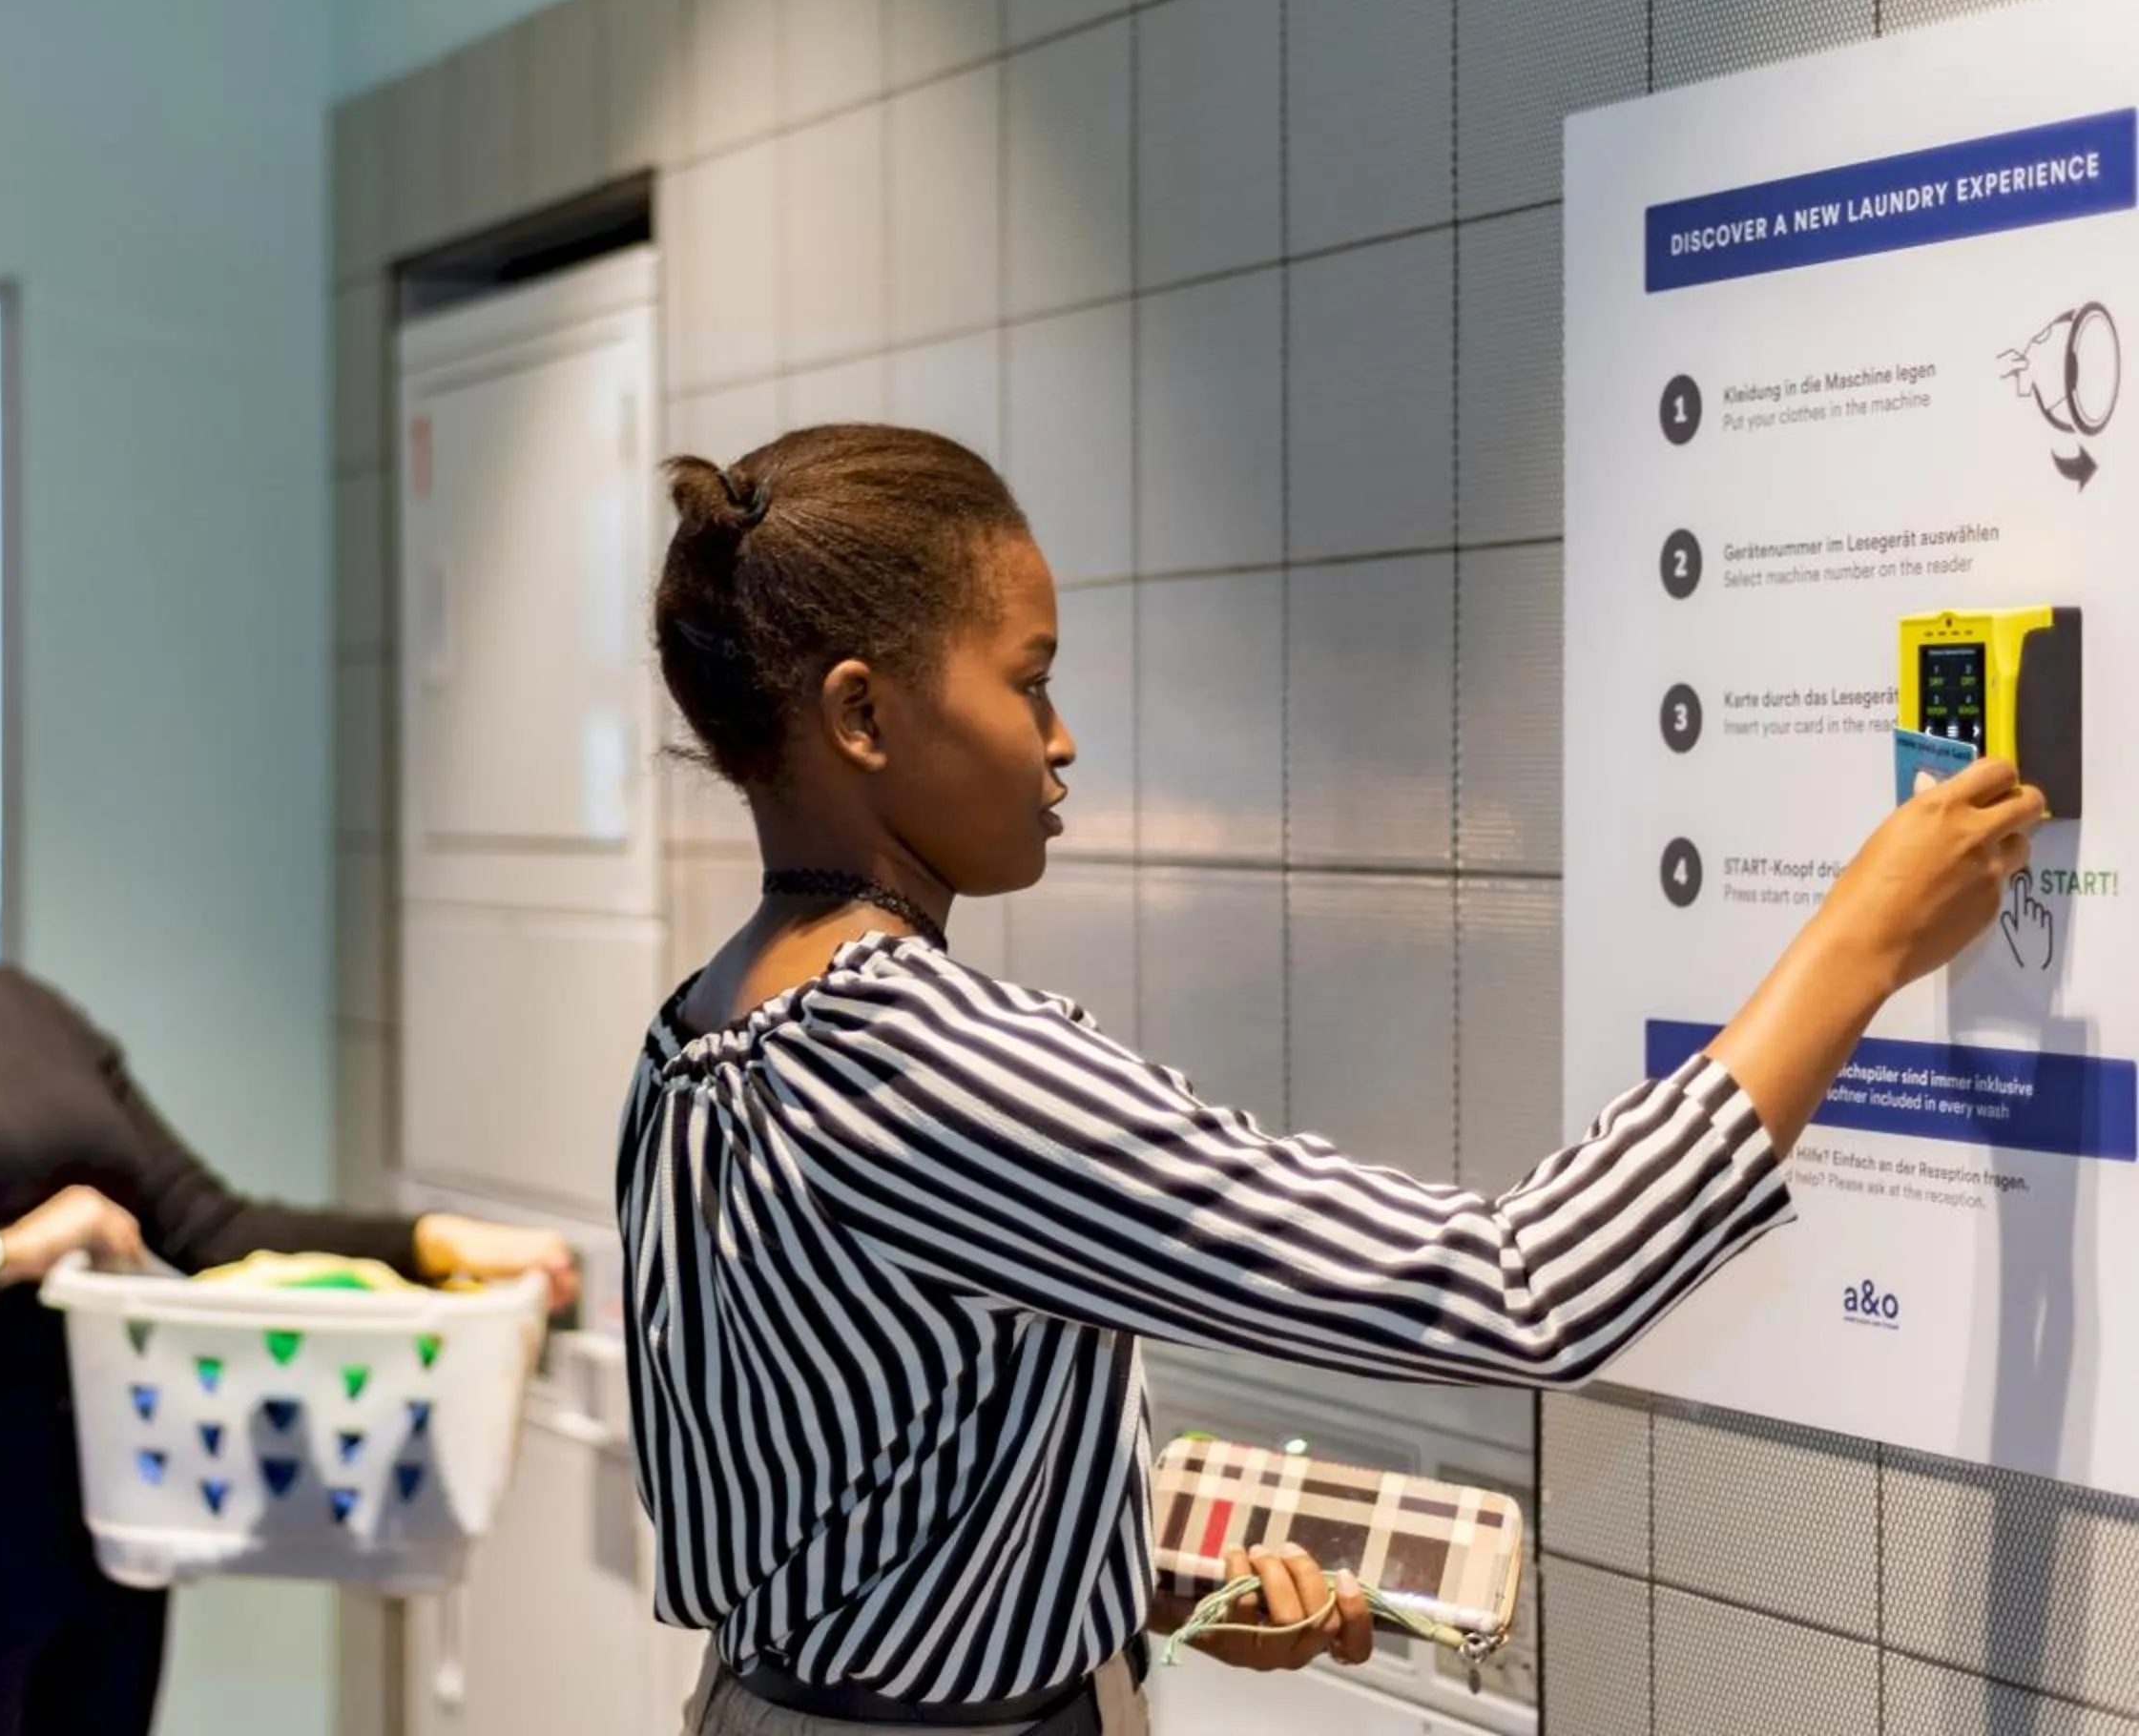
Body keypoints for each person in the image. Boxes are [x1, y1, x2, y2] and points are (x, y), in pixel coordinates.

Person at [621, 426, 2044, 1734]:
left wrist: (1143, 1594)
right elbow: (1523, 1288)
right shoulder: (933, 1062)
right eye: (1030, 681)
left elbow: (838, 1512)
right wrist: (1863, 938)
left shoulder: (697, 1037)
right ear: (862, 714)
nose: (1059, 743)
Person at [0, 635, 573, 1736]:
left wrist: (438, 1239)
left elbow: (213, 1227)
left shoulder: (28, 1013)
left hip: (102, 1548)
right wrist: (12, 1253)